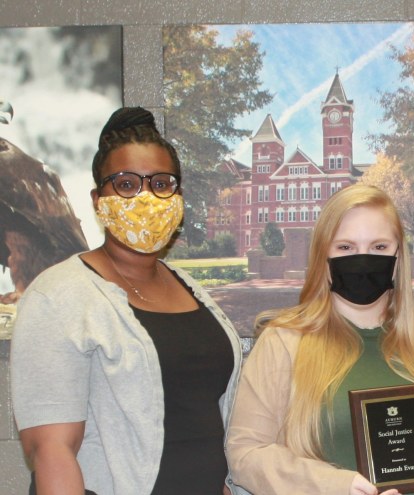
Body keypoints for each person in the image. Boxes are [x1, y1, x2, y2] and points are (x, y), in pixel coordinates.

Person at [10, 107, 244, 494]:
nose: (146, 197)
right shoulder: (57, 296)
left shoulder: (189, 287)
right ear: (98, 198)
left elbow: (206, 422)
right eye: (126, 184)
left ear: (178, 195)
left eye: (161, 183)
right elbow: (50, 450)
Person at [225, 184, 414, 495]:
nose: (363, 260)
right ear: (323, 256)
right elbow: (247, 453)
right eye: (346, 247)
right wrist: (337, 487)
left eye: (378, 247)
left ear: (399, 255)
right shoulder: (282, 343)